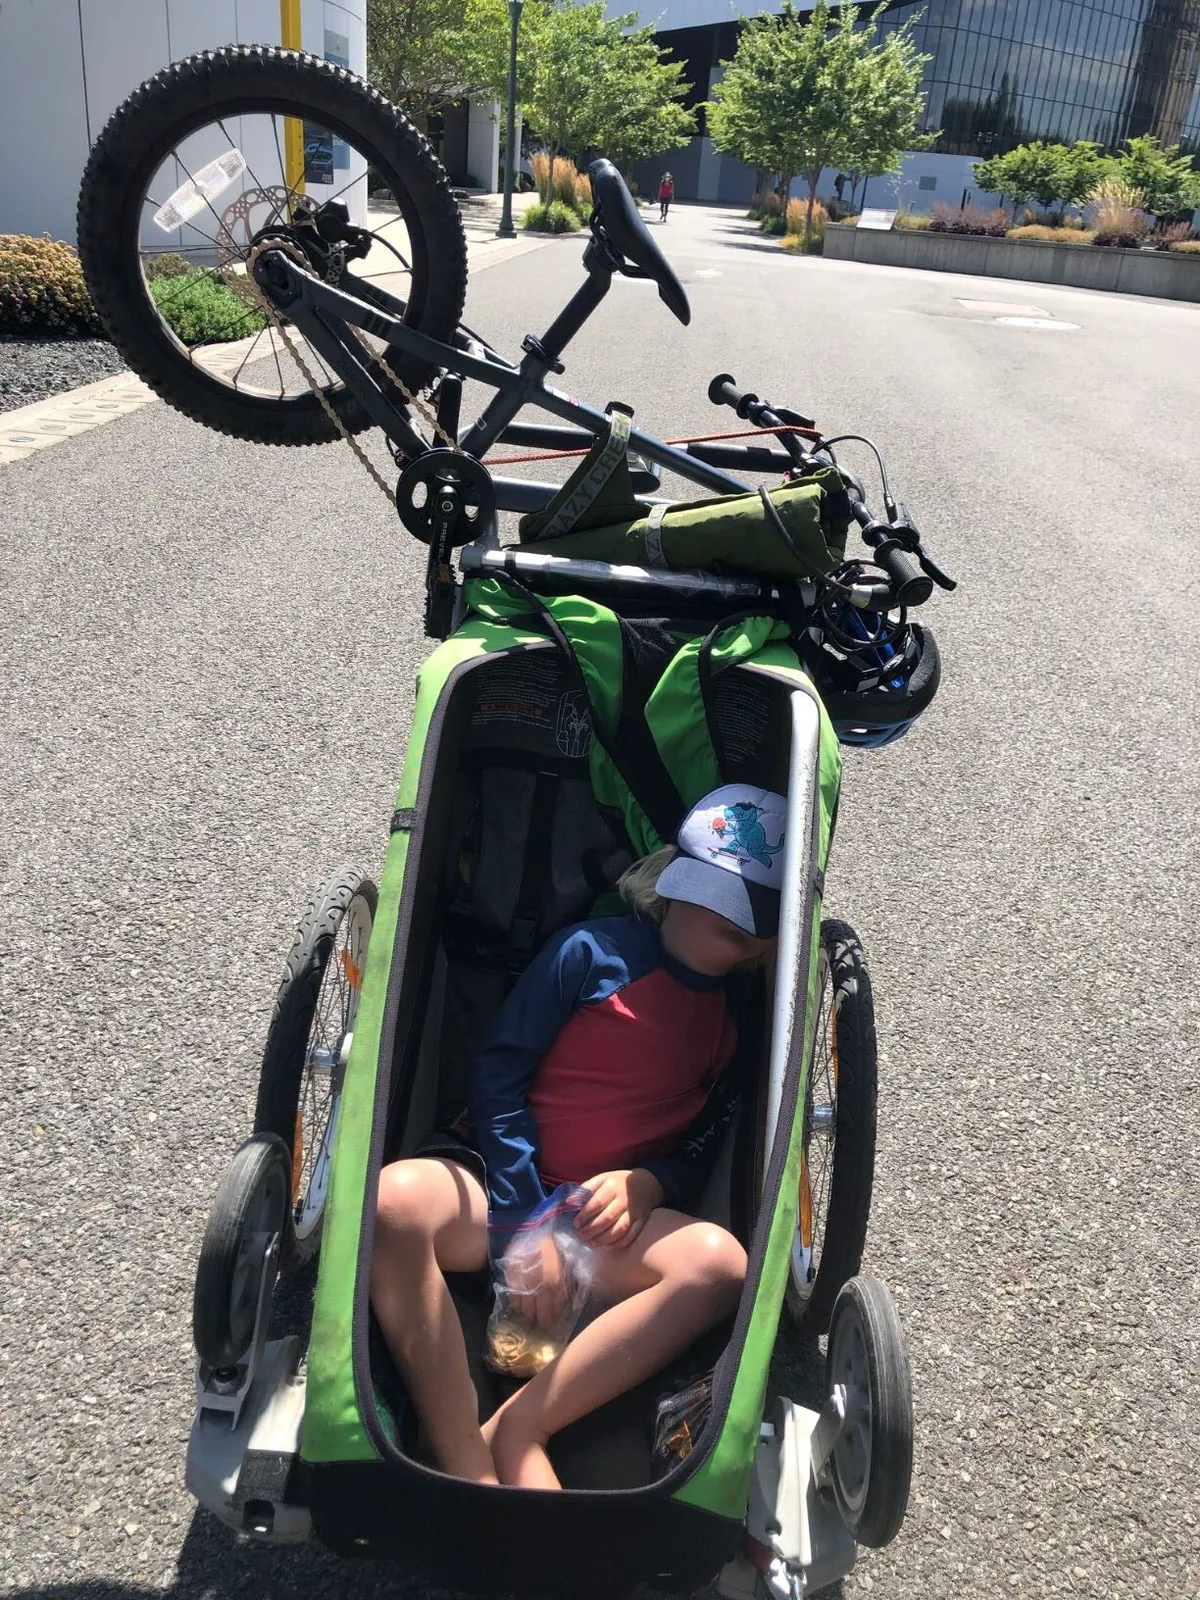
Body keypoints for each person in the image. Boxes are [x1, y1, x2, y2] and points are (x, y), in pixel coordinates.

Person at [370, 783, 788, 1490]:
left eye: (758, 920)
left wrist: (651, 1181)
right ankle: (467, 1466)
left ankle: (522, 1427)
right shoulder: (589, 953)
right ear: (675, 885)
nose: (741, 929)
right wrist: (526, 1222)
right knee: (390, 1205)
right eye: (725, 902)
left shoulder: (738, 1019)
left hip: (599, 1215)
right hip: (497, 1182)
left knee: (720, 1266)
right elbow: (499, 1075)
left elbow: (706, 1135)